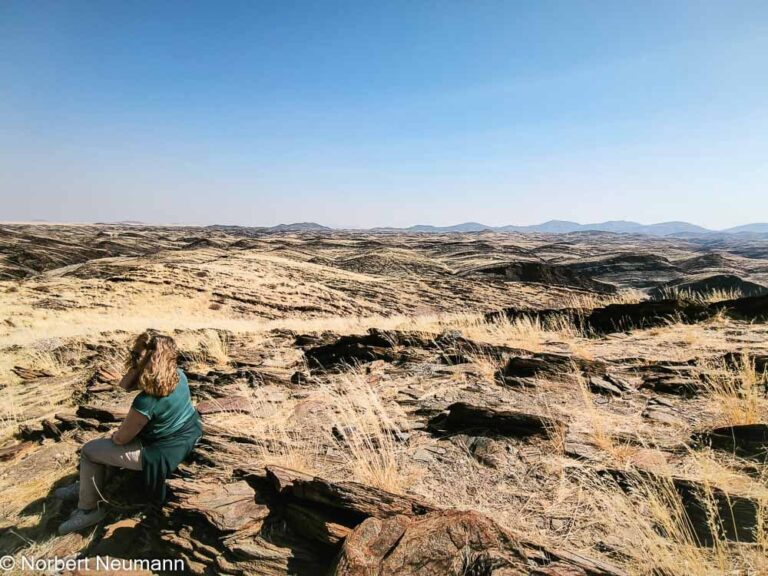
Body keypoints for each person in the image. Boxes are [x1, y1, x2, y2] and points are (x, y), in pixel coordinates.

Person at [56, 331, 203, 535]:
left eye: (136, 356)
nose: (132, 359)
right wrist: (140, 363)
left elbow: (122, 439)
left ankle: (88, 509)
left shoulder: (145, 402)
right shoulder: (179, 375)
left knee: (90, 451)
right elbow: (125, 386)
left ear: (150, 360)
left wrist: (117, 435)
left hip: (159, 452)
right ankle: (87, 486)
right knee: (106, 447)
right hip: (186, 434)